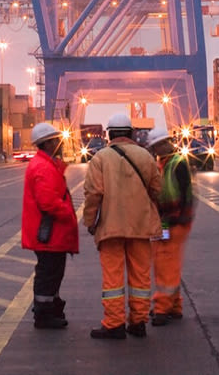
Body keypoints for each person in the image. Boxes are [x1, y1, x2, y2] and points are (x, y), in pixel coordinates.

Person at [83, 113, 162, 339]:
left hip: (111, 227)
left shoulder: (100, 158)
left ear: (109, 134)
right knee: (140, 277)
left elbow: (93, 194)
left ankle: (114, 324)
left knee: (113, 279)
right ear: (131, 133)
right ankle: (138, 322)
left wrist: (90, 222)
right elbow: (157, 189)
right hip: (140, 225)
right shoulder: (145, 156)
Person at [21, 122, 79, 330]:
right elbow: (47, 201)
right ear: (48, 143)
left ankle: (50, 309)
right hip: (49, 234)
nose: (60, 143)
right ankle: (44, 315)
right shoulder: (43, 167)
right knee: (49, 273)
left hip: (51, 234)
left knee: (52, 273)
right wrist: (68, 215)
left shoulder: (46, 164)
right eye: (56, 140)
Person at [145, 127, 196, 325]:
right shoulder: (164, 163)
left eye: (159, 144)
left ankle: (162, 308)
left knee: (165, 263)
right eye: (155, 146)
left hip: (175, 221)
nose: (158, 148)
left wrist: (183, 216)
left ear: (167, 142)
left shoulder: (177, 163)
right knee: (165, 262)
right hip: (165, 221)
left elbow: (187, 193)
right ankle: (174, 306)